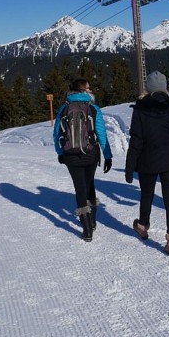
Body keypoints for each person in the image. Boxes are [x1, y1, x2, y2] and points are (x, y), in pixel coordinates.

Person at [124, 71, 169, 256]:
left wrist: (129, 167)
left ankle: (143, 225)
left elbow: (136, 141)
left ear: (148, 88)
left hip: (147, 160)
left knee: (147, 195)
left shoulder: (140, 109)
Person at [53, 78, 113, 242]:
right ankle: (93, 221)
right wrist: (108, 156)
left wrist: (60, 152)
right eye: (88, 88)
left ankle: (87, 229)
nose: (91, 90)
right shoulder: (93, 108)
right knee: (90, 184)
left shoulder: (64, 108)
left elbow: (57, 133)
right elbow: (101, 134)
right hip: (91, 153)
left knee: (79, 188)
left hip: (70, 155)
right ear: (82, 91)